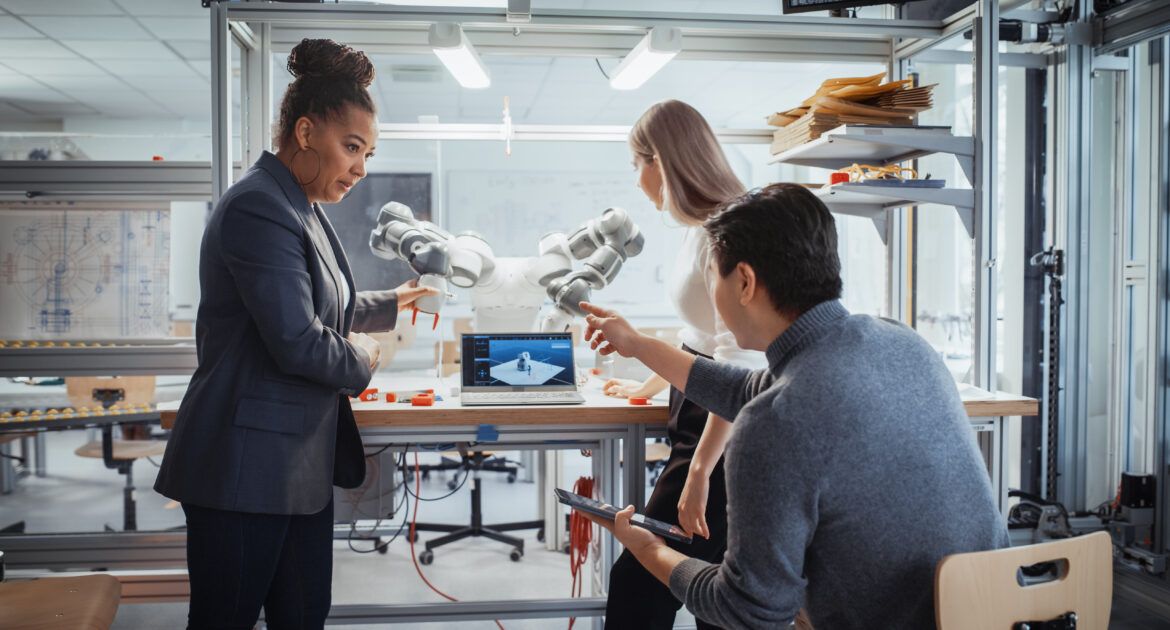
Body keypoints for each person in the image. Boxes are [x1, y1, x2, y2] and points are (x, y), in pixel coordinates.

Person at [578, 183, 1008, 629]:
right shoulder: (901, 343)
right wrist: (637, 344)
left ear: (744, 282)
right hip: (994, 612)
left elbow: (747, 609)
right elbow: (748, 387)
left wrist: (649, 550)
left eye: (711, 275)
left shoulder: (774, 423)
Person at [154, 39, 437, 630]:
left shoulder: (299, 204)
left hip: (294, 469)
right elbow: (297, 337)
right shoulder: (259, 208)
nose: (361, 168)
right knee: (224, 619)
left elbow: (315, 301)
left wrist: (389, 303)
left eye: (368, 152)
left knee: (304, 615)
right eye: (352, 147)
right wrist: (363, 357)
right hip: (244, 467)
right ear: (305, 133)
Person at [601, 100, 763, 629]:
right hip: (700, 412)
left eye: (636, 164)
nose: (637, 180)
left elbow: (738, 370)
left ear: (661, 162)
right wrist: (648, 383)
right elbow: (700, 337)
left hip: (722, 429)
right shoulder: (701, 228)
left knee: (647, 579)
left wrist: (700, 471)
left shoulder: (730, 233)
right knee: (706, 577)